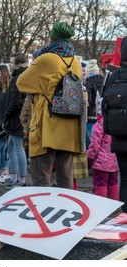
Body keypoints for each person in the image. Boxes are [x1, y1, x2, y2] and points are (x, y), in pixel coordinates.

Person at [16, 22, 85, 189]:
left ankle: (44, 212)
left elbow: (21, 83)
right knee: (65, 177)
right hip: (69, 124)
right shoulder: (74, 60)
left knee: (41, 176)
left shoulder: (46, 59)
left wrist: (40, 87)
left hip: (47, 123)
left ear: (52, 37)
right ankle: (66, 211)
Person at [102, 36, 127, 212]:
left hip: (119, 137)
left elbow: (104, 107)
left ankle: (125, 219)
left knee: (124, 179)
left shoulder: (114, 75)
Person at [2, 53, 28, 188]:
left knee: (17, 148)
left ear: (18, 64)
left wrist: (6, 116)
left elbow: (15, 101)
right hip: (20, 117)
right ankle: (15, 177)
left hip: (16, 118)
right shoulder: (27, 76)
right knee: (12, 147)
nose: (10, 65)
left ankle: (20, 179)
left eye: (11, 62)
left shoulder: (17, 79)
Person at [86, 112, 119, 200]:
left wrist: (89, 156)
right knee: (113, 183)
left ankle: (100, 206)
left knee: (100, 184)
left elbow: (95, 144)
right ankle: (114, 206)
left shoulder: (101, 123)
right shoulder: (118, 121)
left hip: (100, 162)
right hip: (115, 161)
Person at [85, 59, 103, 148]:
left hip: (90, 117)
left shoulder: (88, 83)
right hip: (102, 117)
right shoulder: (104, 80)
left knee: (90, 144)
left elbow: (88, 102)